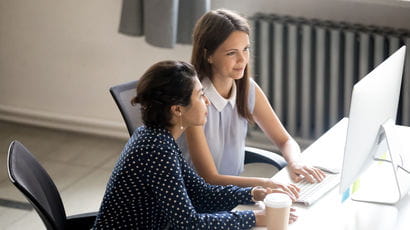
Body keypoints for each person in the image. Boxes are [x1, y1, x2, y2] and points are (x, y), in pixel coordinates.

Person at [93, 61, 297, 229]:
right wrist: (256, 218)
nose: (206, 102)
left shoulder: (159, 138)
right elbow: (188, 223)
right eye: (200, 95)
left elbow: (201, 192)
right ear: (177, 110)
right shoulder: (155, 149)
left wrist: (255, 193)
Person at [178, 9, 326, 197]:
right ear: (209, 55)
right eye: (232, 53)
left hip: (230, 194)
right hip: (197, 198)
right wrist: (265, 184)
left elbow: (284, 140)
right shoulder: (194, 99)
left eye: (245, 49)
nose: (242, 60)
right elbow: (209, 178)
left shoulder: (246, 89)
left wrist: (296, 162)